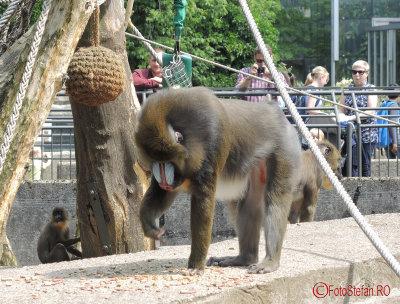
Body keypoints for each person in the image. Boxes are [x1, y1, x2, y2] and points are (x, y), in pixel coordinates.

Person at [339, 60, 378, 177]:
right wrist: (340, 116)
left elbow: (371, 111)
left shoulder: (370, 88)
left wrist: (350, 117)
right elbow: (341, 109)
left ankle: (365, 191)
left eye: (360, 72)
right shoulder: (347, 89)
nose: (357, 75)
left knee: (365, 165)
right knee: (349, 164)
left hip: (366, 134)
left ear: (367, 73)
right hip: (349, 133)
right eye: (354, 72)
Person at [378, 83, 399, 159]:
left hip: (386, 139)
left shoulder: (385, 104)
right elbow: (392, 124)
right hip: (393, 140)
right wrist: (395, 143)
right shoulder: (394, 105)